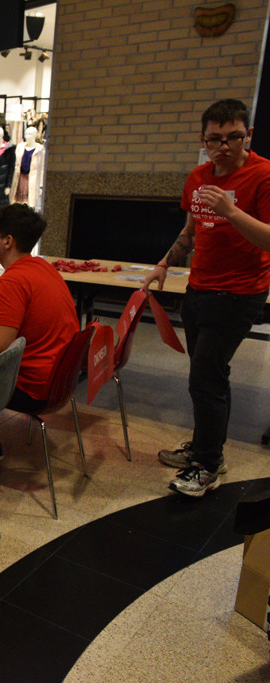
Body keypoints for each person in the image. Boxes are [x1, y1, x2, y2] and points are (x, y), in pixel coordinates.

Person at [142, 98, 270, 497]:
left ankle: (208, 465)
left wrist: (232, 212)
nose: (224, 146)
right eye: (215, 139)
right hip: (200, 287)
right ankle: (206, 449)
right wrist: (164, 262)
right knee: (210, 375)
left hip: (239, 292)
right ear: (204, 140)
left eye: (234, 137)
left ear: (247, 134)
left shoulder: (263, 175)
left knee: (205, 380)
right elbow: (191, 231)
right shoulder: (198, 176)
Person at [0, 203, 78, 461]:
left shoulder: (13, 281)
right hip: (60, 381)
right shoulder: (43, 268)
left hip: (33, 387)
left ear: (7, 241)